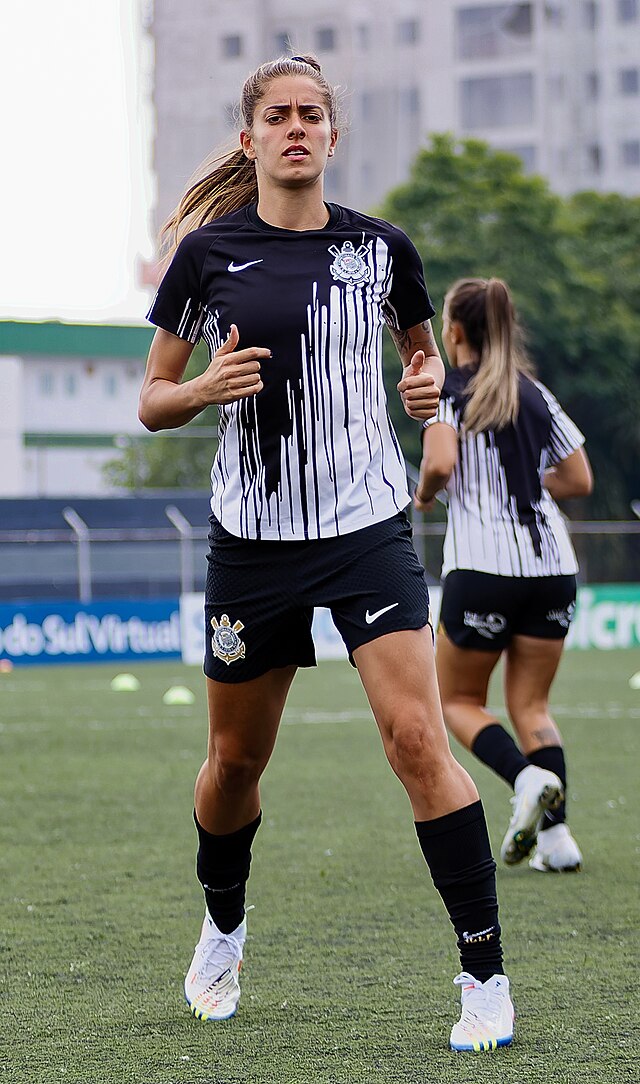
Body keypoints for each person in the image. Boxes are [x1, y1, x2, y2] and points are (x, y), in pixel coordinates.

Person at [140, 56, 514, 1053]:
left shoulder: (383, 249)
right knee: (232, 762)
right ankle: (223, 921)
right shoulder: (205, 257)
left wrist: (428, 407)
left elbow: (422, 361)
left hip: (365, 530)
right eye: (278, 115)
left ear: (331, 137)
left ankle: (483, 975)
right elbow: (151, 400)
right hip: (251, 542)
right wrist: (203, 389)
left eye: (312, 114)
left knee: (416, 741)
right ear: (252, 135)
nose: (297, 128)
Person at [415, 277, 593, 875]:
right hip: (552, 567)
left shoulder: (448, 390)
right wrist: (526, 486)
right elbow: (579, 479)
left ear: (456, 331)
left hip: (483, 566)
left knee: (457, 701)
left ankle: (525, 778)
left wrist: (424, 495)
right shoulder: (536, 394)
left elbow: (440, 462)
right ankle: (558, 840)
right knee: (533, 707)